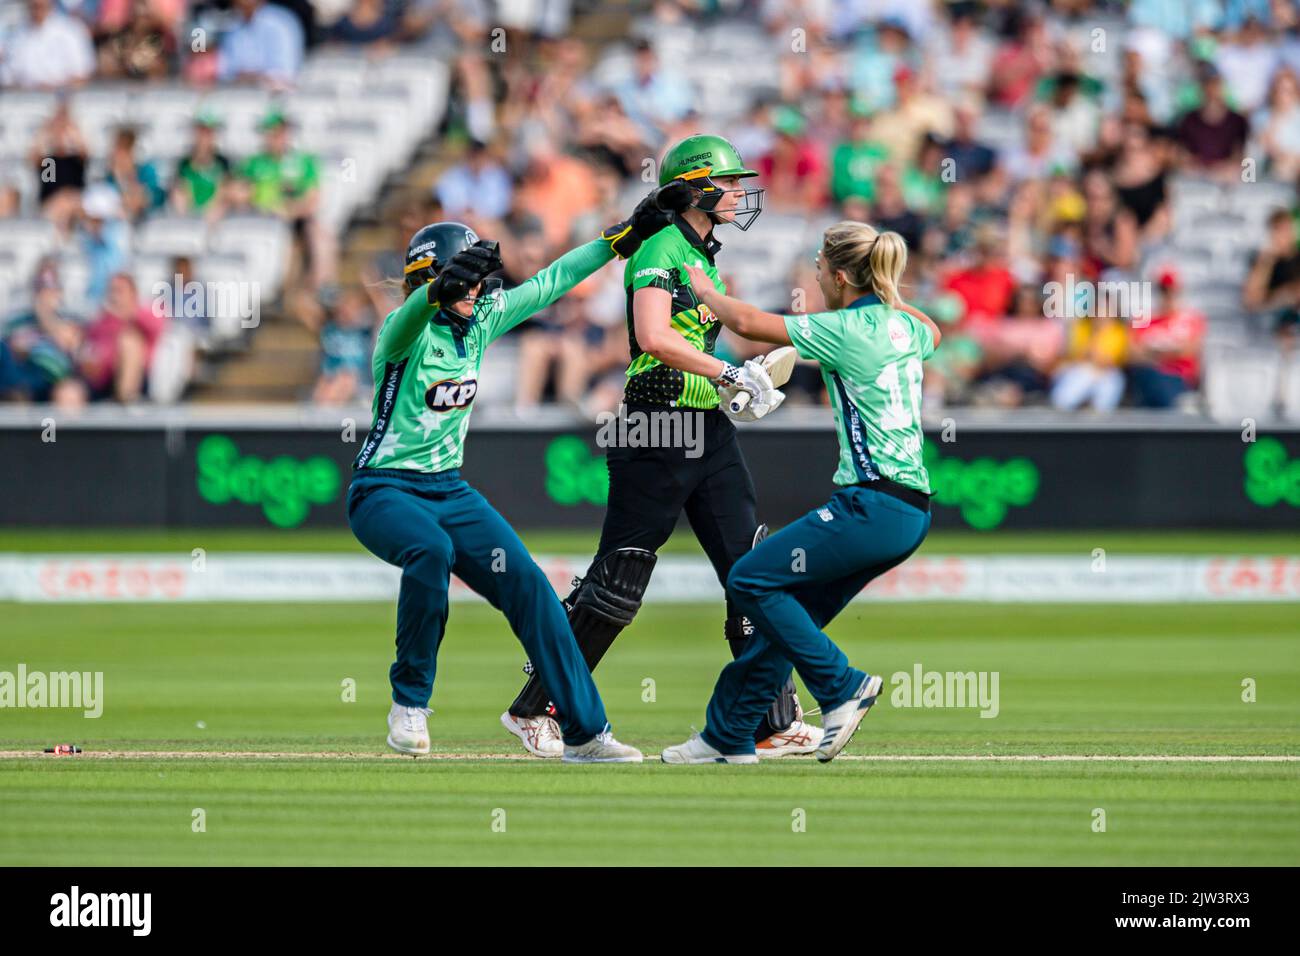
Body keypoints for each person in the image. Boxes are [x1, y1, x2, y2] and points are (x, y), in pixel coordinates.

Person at [348, 178, 694, 761]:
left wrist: (620, 239)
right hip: (383, 490)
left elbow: (553, 281)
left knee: (532, 589)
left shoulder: (480, 321)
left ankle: (585, 732)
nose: (477, 290)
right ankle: (409, 703)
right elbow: (413, 313)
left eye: (477, 281)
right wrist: (437, 289)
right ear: (427, 281)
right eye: (462, 281)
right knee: (429, 551)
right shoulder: (402, 332)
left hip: (449, 490)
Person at [502, 134, 824, 760]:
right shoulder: (659, 247)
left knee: (751, 575)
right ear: (696, 188)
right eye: (727, 183)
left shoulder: (703, 255)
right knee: (616, 585)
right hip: (654, 427)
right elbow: (652, 337)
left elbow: (695, 341)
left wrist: (737, 385)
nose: (738, 193)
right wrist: (729, 373)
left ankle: (770, 720)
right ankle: (536, 707)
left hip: (707, 430)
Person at [660, 221, 942, 764]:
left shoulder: (844, 327)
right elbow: (933, 329)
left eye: (819, 266)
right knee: (788, 619)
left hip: (872, 503)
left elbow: (745, 324)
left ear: (839, 276)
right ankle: (727, 734)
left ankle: (841, 687)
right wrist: (890, 295)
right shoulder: (903, 327)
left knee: (749, 579)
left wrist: (703, 288)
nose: (814, 274)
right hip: (908, 511)